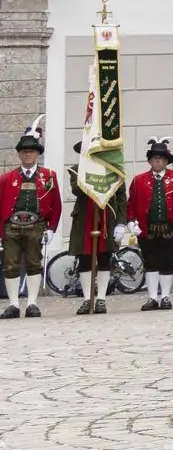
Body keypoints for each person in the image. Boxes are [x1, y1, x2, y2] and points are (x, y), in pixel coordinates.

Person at [1, 128, 60, 318]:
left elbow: (57, 205)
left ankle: (32, 303)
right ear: (19, 154)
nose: (28, 154)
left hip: (36, 225)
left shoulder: (48, 177)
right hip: (11, 226)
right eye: (24, 151)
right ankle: (13, 304)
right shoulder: (6, 178)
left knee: (34, 263)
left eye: (31, 151)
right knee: (10, 264)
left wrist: (51, 228)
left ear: (37, 154)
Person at [126, 138, 173, 310]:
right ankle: (152, 297)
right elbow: (131, 204)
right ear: (150, 160)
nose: (158, 161)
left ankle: (166, 297)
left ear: (166, 161)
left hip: (169, 228)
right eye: (154, 158)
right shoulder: (138, 180)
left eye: (161, 158)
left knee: (166, 261)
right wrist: (131, 222)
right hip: (147, 229)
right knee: (150, 262)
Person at [67, 141, 125, 315]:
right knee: (84, 258)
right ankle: (86, 298)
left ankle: (101, 298)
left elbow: (122, 198)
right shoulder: (77, 169)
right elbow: (77, 190)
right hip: (85, 218)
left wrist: (121, 222)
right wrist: (89, 171)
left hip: (107, 217)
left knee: (104, 257)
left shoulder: (113, 169)